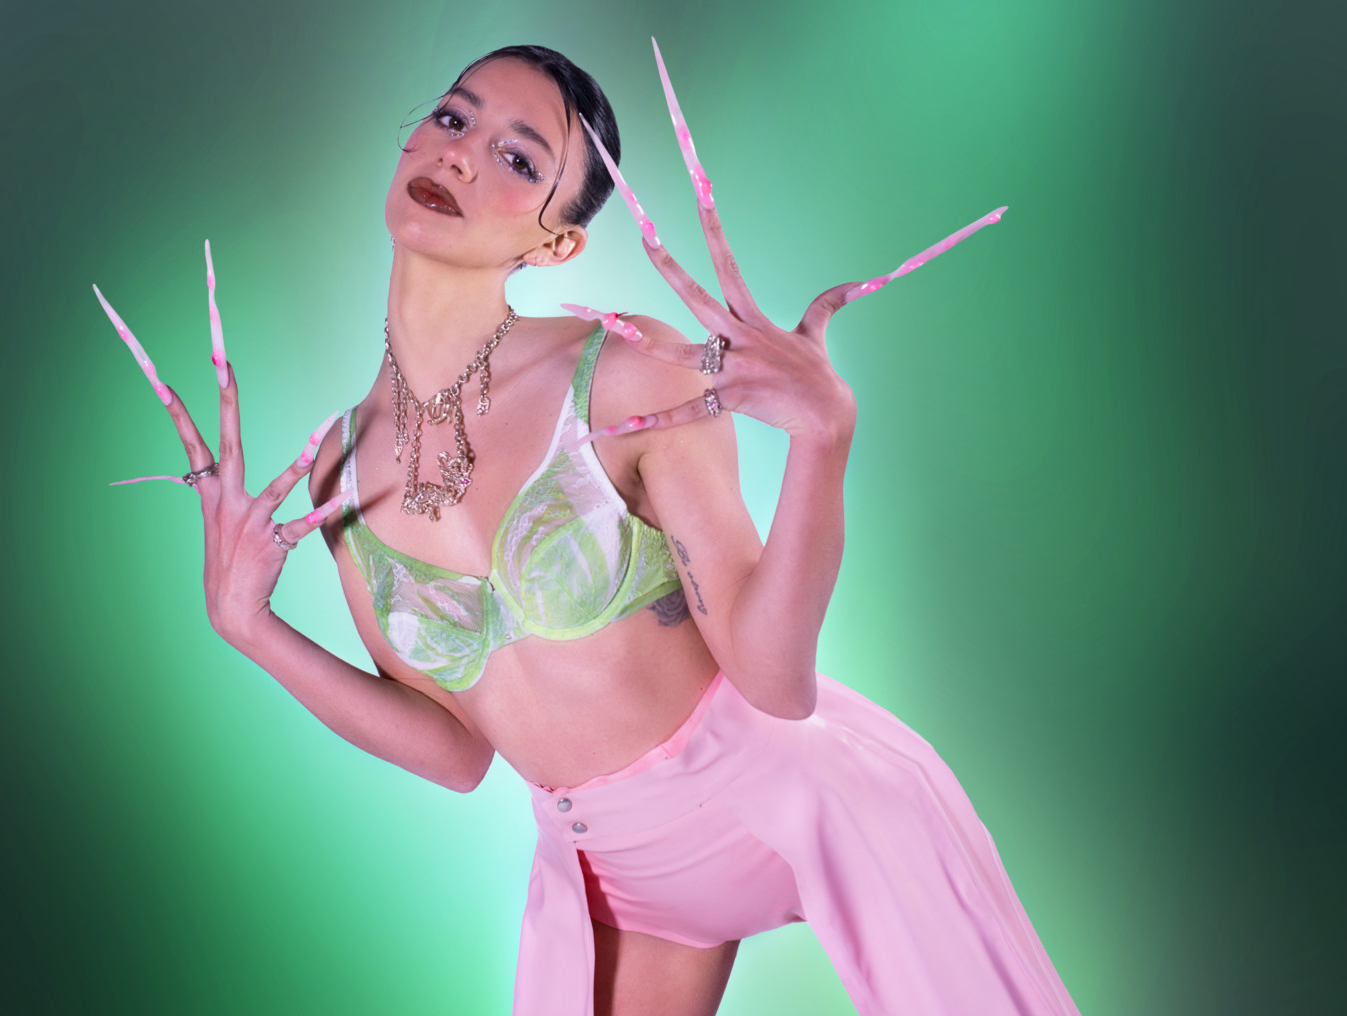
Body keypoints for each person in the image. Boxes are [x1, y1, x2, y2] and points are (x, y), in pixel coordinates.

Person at [95, 42, 1079, 1016]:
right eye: (453, 117)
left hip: (805, 802)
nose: (461, 154)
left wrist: (825, 438)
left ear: (556, 244)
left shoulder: (625, 377)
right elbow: (455, 749)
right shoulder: (338, 472)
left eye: (518, 159)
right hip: (615, 877)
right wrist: (250, 628)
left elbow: (775, 682)